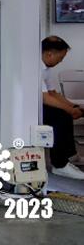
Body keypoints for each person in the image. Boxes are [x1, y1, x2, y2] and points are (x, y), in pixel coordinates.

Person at [42, 36, 84, 180]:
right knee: (60, 116)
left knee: (65, 114)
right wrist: (70, 110)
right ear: (50, 54)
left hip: (40, 103)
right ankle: (59, 165)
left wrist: (72, 107)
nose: (61, 61)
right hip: (30, 107)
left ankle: (71, 156)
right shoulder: (35, 67)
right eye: (60, 58)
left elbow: (54, 93)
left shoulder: (46, 69)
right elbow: (45, 98)